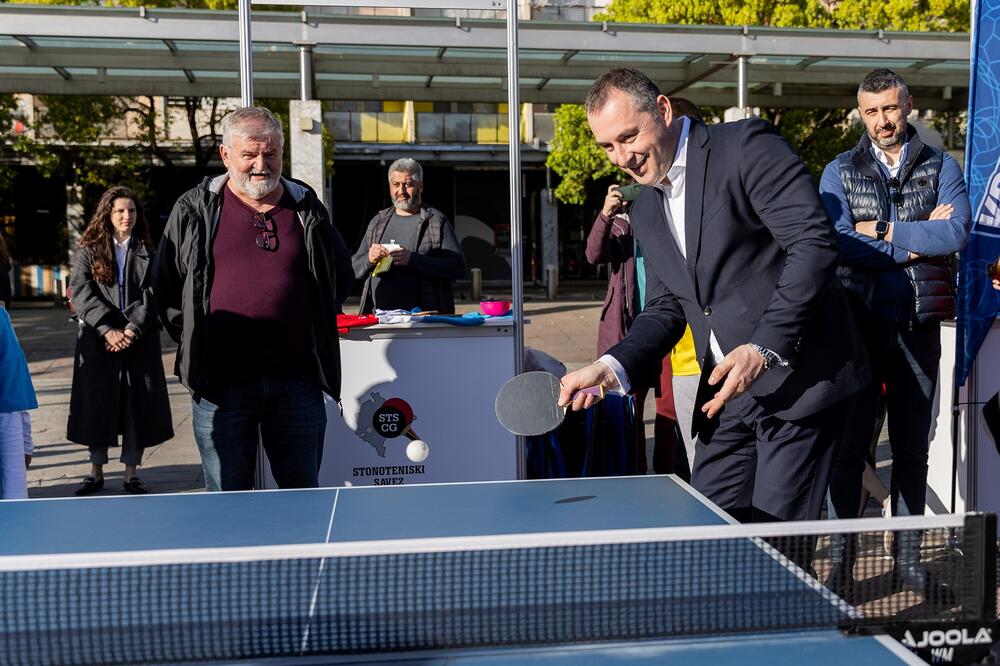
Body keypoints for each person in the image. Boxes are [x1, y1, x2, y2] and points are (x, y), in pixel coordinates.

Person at [560, 69, 869, 527]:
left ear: (662, 111)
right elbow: (667, 307)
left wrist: (764, 346)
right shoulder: (644, 206)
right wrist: (611, 366)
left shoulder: (746, 146)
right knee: (709, 535)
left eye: (629, 136)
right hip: (725, 394)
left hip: (799, 378)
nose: (622, 157)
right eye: (607, 146)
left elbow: (813, 244)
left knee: (775, 549)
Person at [819, 69, 972, 595]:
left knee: (911, 452)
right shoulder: (839, 170)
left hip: (918, 327)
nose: (882, 121)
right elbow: (836, 242)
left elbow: (955, 231)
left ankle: (909, 561)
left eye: (890, 108)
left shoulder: (941, 164)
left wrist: (881, 230)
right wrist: (915, 243)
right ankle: (840, 564)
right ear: (859, 113)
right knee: (849, 449)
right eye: (871, 111)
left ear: (908, 104)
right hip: (856, 329)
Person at [153, 106, 353, 492]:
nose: (261, 164)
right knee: (228, 497)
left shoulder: (306, 206)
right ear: (226, 155)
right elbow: (165, 289)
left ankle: (302, 555)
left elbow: (338, 276)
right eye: (249, 154)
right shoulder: (193, 209)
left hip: (297, 382)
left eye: (271, 153)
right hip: (220, 387)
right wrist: (198, 341)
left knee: (303, 493)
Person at [66, 187, 174, 495]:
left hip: (136, 339)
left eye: (132, 211)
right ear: (107, 215)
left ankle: (131, 474)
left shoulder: (148, 251)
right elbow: (81, 292)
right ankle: (95, 471)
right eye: (120, 211)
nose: (127, 217)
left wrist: (131, 328)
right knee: (97, 405)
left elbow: (154, 293)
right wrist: (106, 328)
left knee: (135, 406)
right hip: (99, 339)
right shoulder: (88, 250)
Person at [585, 183, 680, 475]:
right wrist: (606, 214)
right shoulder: (618, 226)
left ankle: (670, 476)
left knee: (669, 411)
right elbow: (593, 255)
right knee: (629, 409)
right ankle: (634, 475)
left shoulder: (668, 217)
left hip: (669, 329)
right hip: (627, 331)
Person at [352, 158, 465, 314]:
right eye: (396, 185)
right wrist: (369, 259)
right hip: (379, 321)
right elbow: (353, 268)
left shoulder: (436, 222)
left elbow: (457, 268)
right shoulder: (378, 222)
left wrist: (413, 260)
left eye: (408, 185)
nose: (401, 191)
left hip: (424, 323)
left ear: (421, 186)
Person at [0, 234, 35, 500]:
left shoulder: (2, 322)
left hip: (6, 416)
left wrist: (25, 439)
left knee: (14, 498)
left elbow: (16, 389)